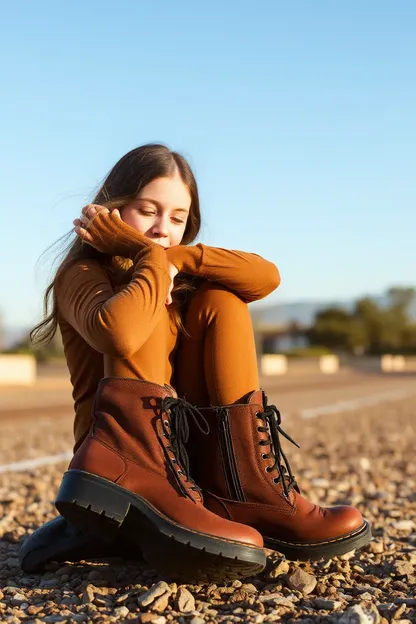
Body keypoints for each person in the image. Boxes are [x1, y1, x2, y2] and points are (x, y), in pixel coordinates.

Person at [20, 144, 371, 581]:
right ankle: (141, 483)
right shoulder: (84, 276)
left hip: (186, 477)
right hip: (120, 472)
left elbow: (267, 277)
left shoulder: (174, 268)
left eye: (177, 218)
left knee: (223, 300)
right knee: (142, 305)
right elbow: (120, 332)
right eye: (147, 211)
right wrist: (147, 259)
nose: (161, 229)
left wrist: (176, 259)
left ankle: (242, 488)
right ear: (113, 211)